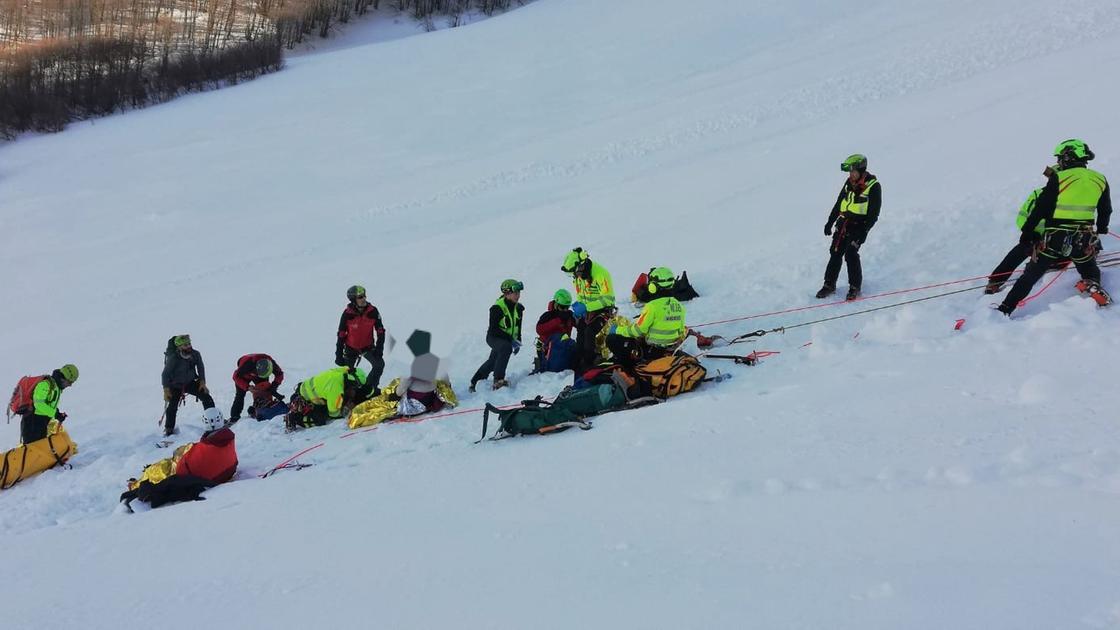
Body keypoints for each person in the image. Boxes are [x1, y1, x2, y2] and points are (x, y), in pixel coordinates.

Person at [998, 139, 1112, 315]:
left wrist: (1028, 232)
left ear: (1068, 156)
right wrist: (1102, 228)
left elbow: (1041, 208)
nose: (1059, 162)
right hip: (1084, 237)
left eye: (1060, 158)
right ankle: (1093, 284)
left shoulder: (1060, 177)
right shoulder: (1099, 178)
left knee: (1031, 275)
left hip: (1056, 236)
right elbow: (1105, 209)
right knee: (1088, 267)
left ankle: (1005, 309)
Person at [120, 408, 237, 511]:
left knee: (162, 468)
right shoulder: (228, 439)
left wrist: (179, 457)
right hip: (218, 473)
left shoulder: (208, 446)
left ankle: (136, 485)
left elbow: (184, 468)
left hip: (192, 475)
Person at [817, 154, 882, 301]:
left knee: (851, 254)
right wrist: (830, 222)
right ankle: (829, 285)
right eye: (849, 172)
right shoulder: (848, 183)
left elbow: (873, 215)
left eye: (853, 171)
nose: (850, 174)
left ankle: (854, 287)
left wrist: (864, 231)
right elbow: (839, 202)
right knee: (835, 252)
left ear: (861, 170)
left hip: (859, 227)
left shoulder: (873, 186)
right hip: (843, 223)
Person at [606, 267, 687, 369]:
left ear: (653, 286)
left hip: (652, 352)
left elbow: (638, 331)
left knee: (611, 339)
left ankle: (627, 367)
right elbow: (681, 332)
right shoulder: (679, 306)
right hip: (670, 350)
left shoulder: (652, 306)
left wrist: (617, 330)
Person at [561, 247, 616, 372]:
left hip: (603, 310)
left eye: (575, 273)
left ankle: (589, 363)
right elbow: (581, 294)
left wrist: (586, 307)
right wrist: (579, 305)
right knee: (580, 329)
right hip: (587, 311)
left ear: (581, 265)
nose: (575, 276)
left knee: (589, 333)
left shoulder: (601, 274)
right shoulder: (578, 277)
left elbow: (609, 300)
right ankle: (578, 360)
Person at [984, 188, 1047, 294]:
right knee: (1020, 251)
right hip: (1034, 237)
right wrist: (1030, 233)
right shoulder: (1038, 194)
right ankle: (995, 281)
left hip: (1054, 237)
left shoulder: (1068, 195)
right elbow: (1021, 217)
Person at [469, 279, 525, 392]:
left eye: (519, 292)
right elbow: (494, 330)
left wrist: (518, 340)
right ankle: (498, 381)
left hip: (506, 339)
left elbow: (518, 326)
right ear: (506, 293)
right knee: (505, 348)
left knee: (493, 361)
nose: (518, 295)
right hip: (494, 337)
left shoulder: (519, 308)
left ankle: (475, 382)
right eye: (515, 293)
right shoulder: (497, 308)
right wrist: (510, 340)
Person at [286, 366, 375, 430]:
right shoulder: (336, 389)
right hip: (306, 398)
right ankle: (295, 418)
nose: (356, 387)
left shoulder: (343, 371)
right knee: (320, 419)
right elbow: (333, 413)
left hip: (307, 388)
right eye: (357, 385)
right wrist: (346, 410)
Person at [162, 335, 216, 437]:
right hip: (175, 385)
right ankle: (169, 428)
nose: (188, 346)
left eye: (189, 344)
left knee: (206, 397)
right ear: (179, 347)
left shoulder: (195, 354)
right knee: (172, 407)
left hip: (190, 382)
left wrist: (202, 382)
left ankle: (213, 421)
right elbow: (165, 374)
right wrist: (166, 389)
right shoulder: (173, 358)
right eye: (185, 345)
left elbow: (200, 368)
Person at [335, 285, 386, 393]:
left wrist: (379, 349)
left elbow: (380, 331)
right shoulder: (347, 314)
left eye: (364, 296)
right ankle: (349, 394)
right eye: (360, 297)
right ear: (353, 300)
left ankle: (370, 389)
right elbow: (341, 334)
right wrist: (338, 355)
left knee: (379, 365)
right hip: (351, 348)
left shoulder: (373, 311)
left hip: (367, 347)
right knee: (345, 374)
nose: (364, 299)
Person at [18, 364, 78, 445]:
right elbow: (38, 404)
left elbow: (49, 405)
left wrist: (58, 414)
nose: (70, 385)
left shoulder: (56, 388)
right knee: (33, 450)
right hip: (32, 422)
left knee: (40, 448)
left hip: (41, 422)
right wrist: (55, 414)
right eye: (70, 382)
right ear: (63, 379)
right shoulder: (45, 385)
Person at [229, 354, 284, 422]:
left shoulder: (271, 363)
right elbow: (236, 377)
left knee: (264, 390)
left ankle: (263, 409)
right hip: (244, 376)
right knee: (240, 395)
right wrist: (247, 387)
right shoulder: (247, 365)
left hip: (259, 373)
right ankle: (234, 417)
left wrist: (274, 386)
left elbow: (280, 374)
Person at [534, 289, 577, 373]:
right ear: (556, 304)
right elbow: (539, 329)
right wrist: (557, 321)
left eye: (567, 307)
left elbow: (579, 324)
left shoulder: (569, 315)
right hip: (547, 349)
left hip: (563, 347)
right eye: (562, 307)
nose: (565, 310)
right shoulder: (548, 316)